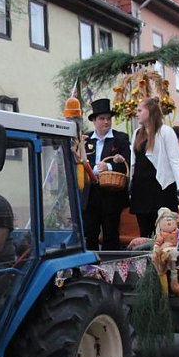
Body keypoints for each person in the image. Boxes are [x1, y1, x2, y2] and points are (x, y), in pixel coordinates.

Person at [129, 97, 179, 239]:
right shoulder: (137, 133)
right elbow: (133, 162)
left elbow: (175, 160)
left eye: (140, 110)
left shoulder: (166, 132)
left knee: (164, 232)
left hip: (161, 188)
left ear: (150, 111)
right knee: (145, 231)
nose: (137, 113)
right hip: (141, 190)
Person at [81, 98, 130, 250]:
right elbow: (80, 162)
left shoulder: (120, 138)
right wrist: (94, 170)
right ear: (94, 121)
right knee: (90, 233)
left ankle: (111, 268)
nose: (106, 122)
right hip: (91, 194)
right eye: (102, 118)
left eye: (108, 118)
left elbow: (126, 162)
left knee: (110, 233)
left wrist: (108, 166)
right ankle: (91, 269)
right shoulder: (85, 139)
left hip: (111, 193)